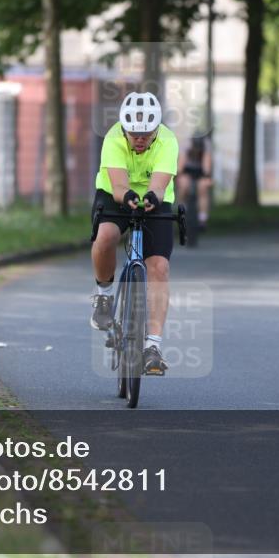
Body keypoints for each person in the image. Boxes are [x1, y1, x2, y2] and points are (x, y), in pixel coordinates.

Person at [90, 91, 179, 375]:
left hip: (155, 198)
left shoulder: (168, 141)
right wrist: (126, 195)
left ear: (156, 130)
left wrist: (152, 197)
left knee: (159, 267)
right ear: (124, 129)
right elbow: (118, 186)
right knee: (106, 236)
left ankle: (153, 346)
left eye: (146, 134)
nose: (139, 139)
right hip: (115, 194)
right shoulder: (113, 138)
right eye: (134, 134)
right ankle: (104, 295)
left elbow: (159, 186)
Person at [177, 136, 213, 231]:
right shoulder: (186, 144)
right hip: (187, 171)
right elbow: (180, 167)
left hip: (200, 172)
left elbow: (207, 168)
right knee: (183, 185)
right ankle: (182, 213)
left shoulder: (206, 145)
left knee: (203, 187)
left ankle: (202, 219)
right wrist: (179, 175)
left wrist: (207, 176)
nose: (196, 151)